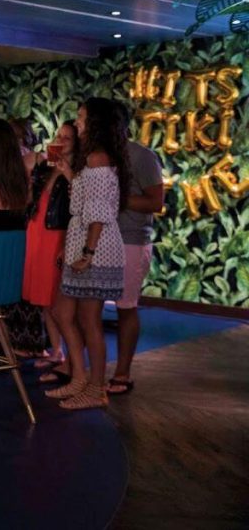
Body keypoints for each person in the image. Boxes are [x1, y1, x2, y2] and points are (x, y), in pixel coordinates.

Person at [46, 97, 128, 410]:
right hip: (83, 244)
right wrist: (68, 173)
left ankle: (95, 388)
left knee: (89, 320)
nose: (77, 124)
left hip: (94, 248)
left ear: (95, 123)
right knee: (63, 312)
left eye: (81, 119)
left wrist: (88, 252)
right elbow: (89, 201)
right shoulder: (94, 158)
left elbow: (97, 213)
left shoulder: (96, 157)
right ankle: (81, 378)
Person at [109, 102, 164, 395]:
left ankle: (122, 373)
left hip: (131, 239)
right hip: (102, 239)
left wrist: (117, 200)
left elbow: (156, 202)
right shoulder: (97, 158)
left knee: (126, 307)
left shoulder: (142, 156)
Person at [22, 121, 78, 382]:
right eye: (59, 136)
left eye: (67, 138)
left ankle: (70, 358)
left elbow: (79, 201)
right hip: (38, 229)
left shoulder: (77, 170)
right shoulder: (47, 166)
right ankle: (56, 351)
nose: (61, 141)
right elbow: (31, 197)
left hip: (57, 233)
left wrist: (67, 171)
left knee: (56, 299)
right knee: (44, 298)